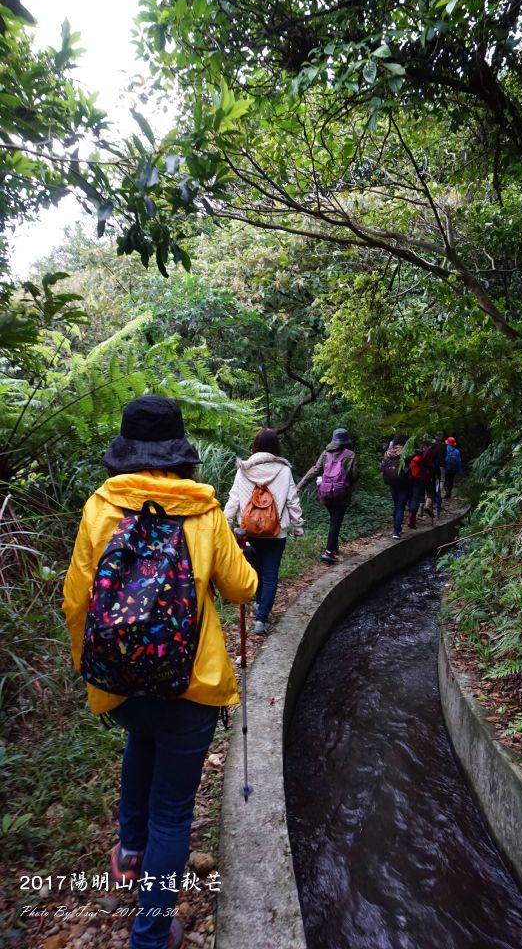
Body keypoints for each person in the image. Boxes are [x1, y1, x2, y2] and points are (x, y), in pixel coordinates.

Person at [62, 396, 258, 949]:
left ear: (125, 451)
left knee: (140, 743)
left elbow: (75, 602)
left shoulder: (101, 507)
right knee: (173, 814)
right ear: (180, 455)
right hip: (192, 687)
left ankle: (128, 853)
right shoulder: (204, 511)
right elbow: (242, 588)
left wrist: (93, 672)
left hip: (121, 680)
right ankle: (150, 936)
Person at [224, 427, 304, 635]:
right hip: (276, 533)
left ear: (255, 446)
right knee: (270, 574)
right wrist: (298, 526)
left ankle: (260, 605)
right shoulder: (284, 470)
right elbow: (292, 501)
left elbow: (233, 500)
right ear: (276, 447)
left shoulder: (244, 469)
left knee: (256, 571)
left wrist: (226, 523)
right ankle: (261, 618)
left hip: (249, 531)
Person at [298, 427, 358, 564]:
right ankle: (329, 552)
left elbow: (315, 470)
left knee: (334, 520)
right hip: (341, 494)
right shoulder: (350, 455)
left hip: (325, 493)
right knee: (335, 522)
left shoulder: (326, 454)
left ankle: (334, 548)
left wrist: (300, 486)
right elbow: (354, 475)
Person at [380, 434, 412, 538]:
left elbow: (381, 467)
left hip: (392, 482)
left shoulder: (388, 452)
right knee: (400, 507)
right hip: (404, 483)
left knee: (396, 505)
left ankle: (396, 528)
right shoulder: (406, 453)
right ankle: (396, 531)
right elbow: (408, 468)